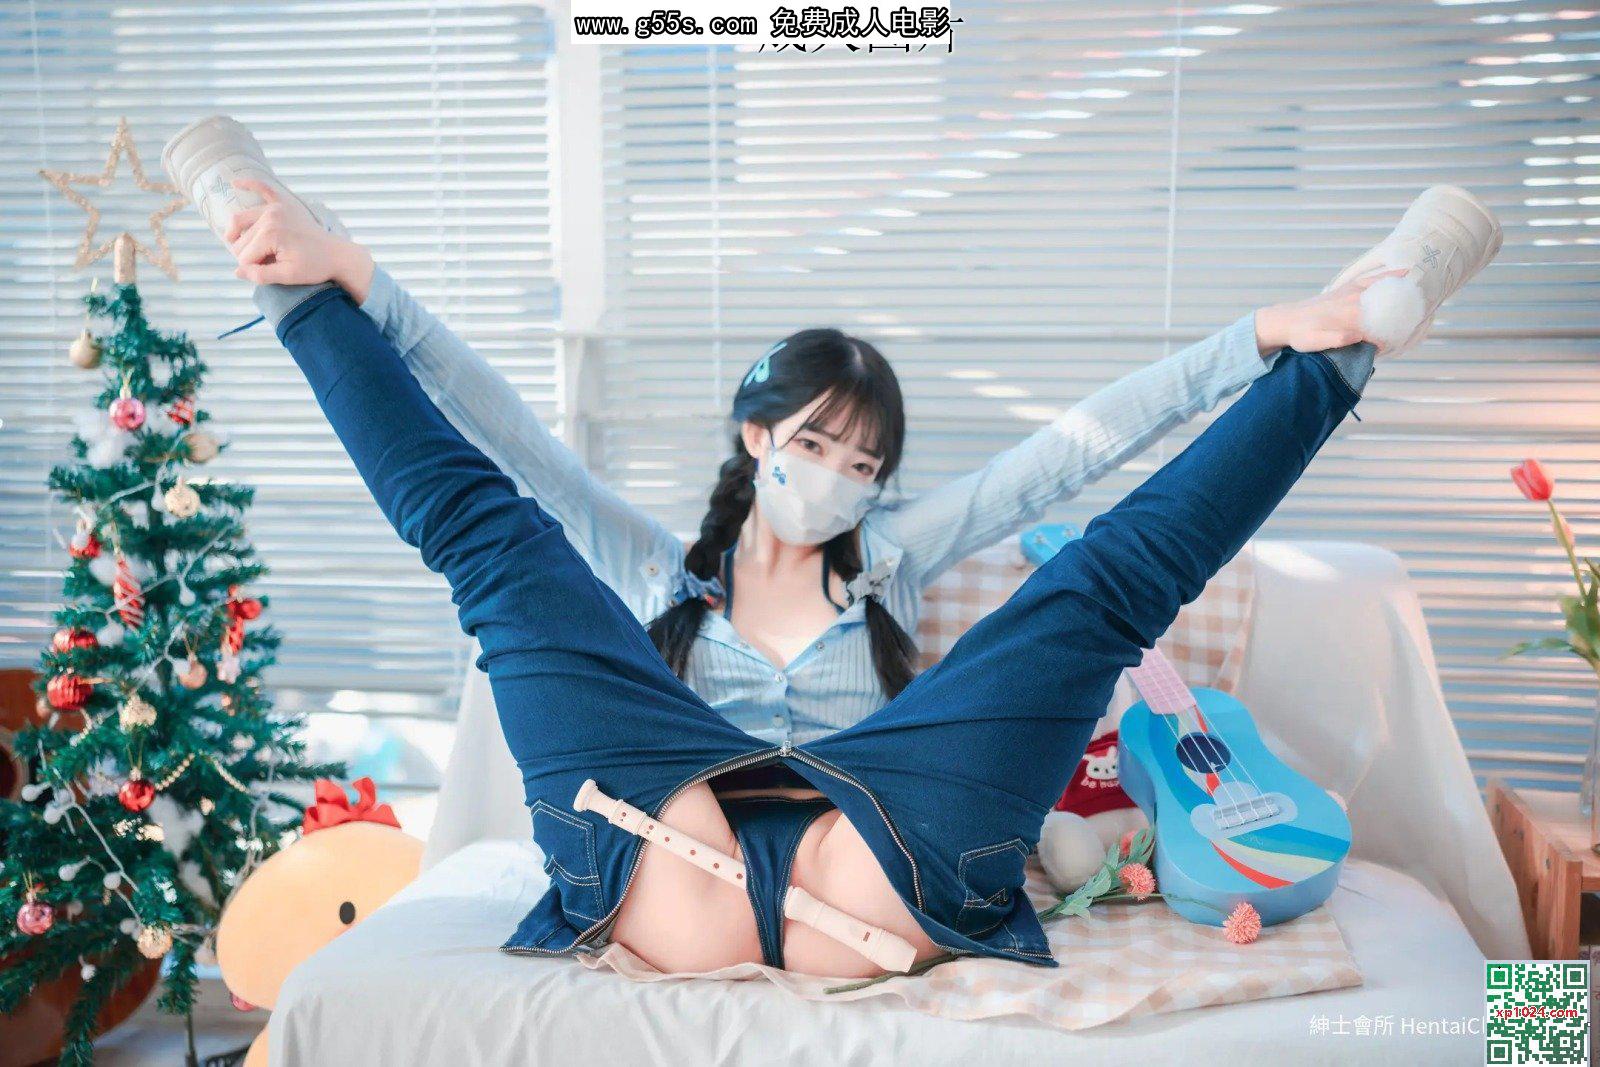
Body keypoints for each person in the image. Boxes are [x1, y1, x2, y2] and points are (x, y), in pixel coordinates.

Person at [165, 116, 1502, 980]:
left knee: (1093, 586)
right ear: (757, 438)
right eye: (819, 446)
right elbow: (503, 434)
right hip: (663, 848)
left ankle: (1349, 339)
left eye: (865, 464)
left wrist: (1258, 337)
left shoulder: (894, 558)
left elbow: (1074, 449)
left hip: (884, 846)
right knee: (500, 547)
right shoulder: (659, 570)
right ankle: (293, 271)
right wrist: (368, 283)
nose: (841, 481)